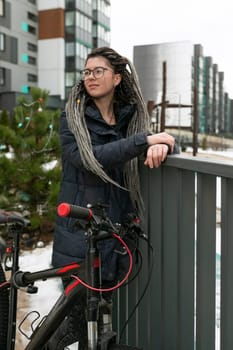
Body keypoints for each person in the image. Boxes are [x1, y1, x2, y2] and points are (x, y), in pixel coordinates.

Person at [48, 47, 176, 349]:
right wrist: (144, 141)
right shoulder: (72, 119)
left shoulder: (128, 121)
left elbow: (153, 143)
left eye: (98, 71)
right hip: (79, 238)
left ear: (117, 78)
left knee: (98, 326)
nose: (90, 77)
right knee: (79, 326)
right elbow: (92, 158)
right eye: (87, 71)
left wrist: (163, 146)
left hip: (113, 238)